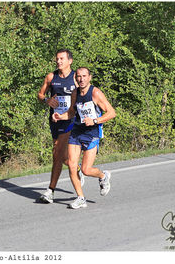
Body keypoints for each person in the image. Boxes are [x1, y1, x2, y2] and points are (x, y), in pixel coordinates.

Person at [52, 67, 116, 209]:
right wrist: (59, 116)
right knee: (72, 166)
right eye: (79, 76)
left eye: (84, 76)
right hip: (76, 131)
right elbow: (71, 112)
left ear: (89, 77)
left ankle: (103, 176)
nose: (81, 79)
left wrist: (94, 121)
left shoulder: (95, 93)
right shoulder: (75, 93)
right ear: (76, 78)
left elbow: (111, 113)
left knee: (86, 170)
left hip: (92, 132)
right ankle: (81, 198)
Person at [37, 49, 80, 203]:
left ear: (70, 61)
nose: (58, 61)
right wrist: (47, 101)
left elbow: (85, 95)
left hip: (70, 121)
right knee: (63, 158)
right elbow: (40, 94)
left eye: (62, 58)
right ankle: (77, 169)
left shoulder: (76, 77)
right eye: (57, 59)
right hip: (54, 120)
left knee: (56, 153)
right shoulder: (51, 77)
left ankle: (50, 191)